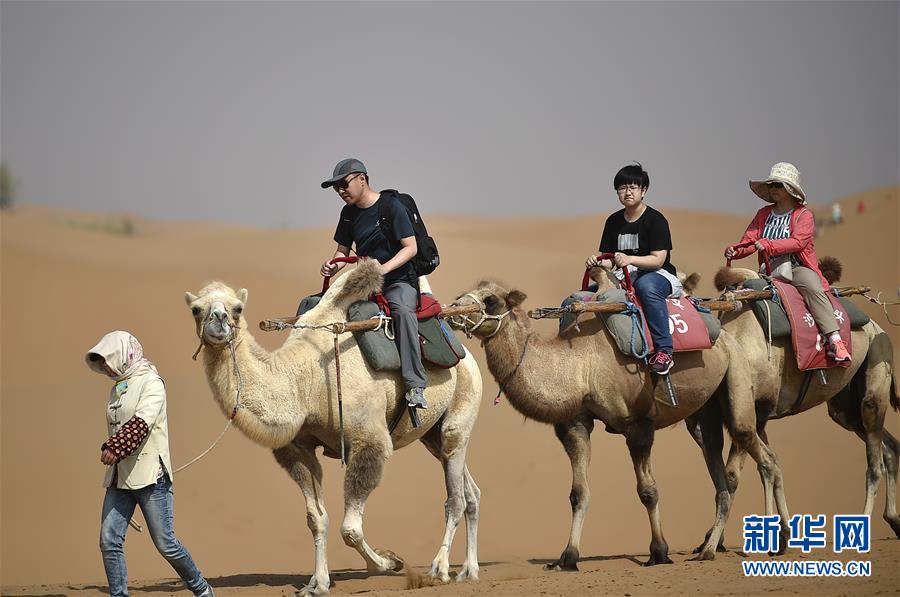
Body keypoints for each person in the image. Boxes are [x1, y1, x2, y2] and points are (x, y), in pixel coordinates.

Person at [86, 331, 214, 597]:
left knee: (166, 544)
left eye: (107, 360)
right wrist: (116, 449)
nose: (105, 367)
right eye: (101, 362)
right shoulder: (117, 388)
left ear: (123, 354)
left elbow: (143, 421)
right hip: (120, 478)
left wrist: (115, 447)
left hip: (151, 477)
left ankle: (202, 590)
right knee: (109, 540)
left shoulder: (152, 383)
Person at [320, 158, 428, 410]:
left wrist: (384, 268)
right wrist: (333, 265)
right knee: (325, 306)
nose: (340, 191)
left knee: (402, 311)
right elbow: (342, 252)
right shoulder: (347, 215)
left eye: (343, 184)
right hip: (366, 284)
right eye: (336, 188)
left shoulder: (391, 207)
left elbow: (410, 248)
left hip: (399, 281)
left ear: (362, 178)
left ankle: (415, 385)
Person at [724, 162, 850, 362]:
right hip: (767, 270)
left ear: (790, 189)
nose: (772, 188)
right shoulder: (763, 214)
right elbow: (750, 241)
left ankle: (834, 339)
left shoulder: (804, 215)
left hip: (797, 268)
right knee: (739, 288)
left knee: (812, 287)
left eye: (777, 185)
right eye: (771, 185)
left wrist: (769, 245)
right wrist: (736, 251)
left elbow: (798, 242)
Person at [586, 163, 683, 374]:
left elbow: (658, 259)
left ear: (644, 190)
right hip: (623, 276)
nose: (627, 192)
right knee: (585, 296)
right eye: (622, 188)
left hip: (657, 275)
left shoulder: (655, 220)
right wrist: (597, 261)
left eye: (633, 187)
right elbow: (611, 259)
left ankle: (664, 350)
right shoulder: (613, 221)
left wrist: (630, 259)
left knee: (647, 287)